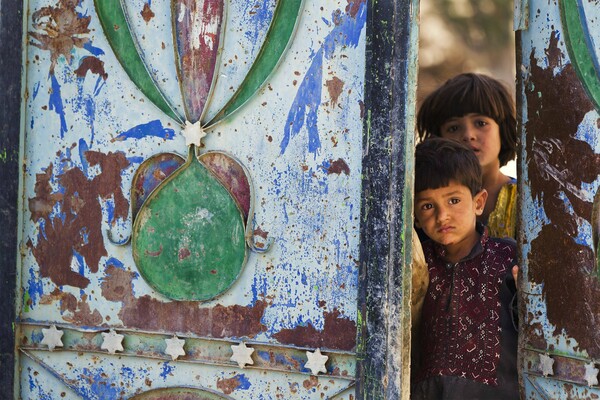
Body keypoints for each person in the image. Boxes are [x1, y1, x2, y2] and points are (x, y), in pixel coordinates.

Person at [411, 138, 519, 399]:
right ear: (413, 213)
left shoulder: (509, 257)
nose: (442, 216)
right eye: (427, 205)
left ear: (479, 202)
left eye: (454, 201)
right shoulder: (415, 264)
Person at [416, 73, 518, 239]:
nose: (468, 135)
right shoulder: (421, 200)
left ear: (503, 129)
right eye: (454, 128)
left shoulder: (525, 200)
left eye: (481, 123)